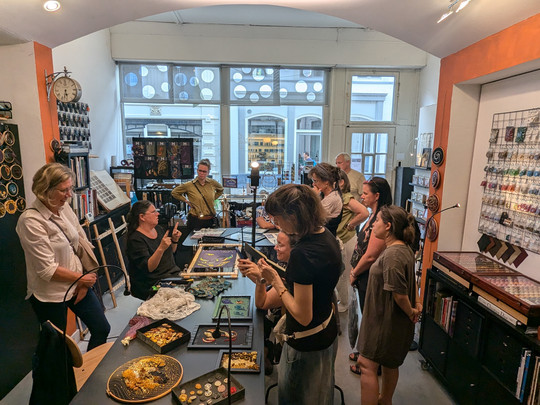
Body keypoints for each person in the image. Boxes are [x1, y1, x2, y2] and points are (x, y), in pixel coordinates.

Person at [254, 184, 341, 405]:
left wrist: (274, 279)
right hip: (326, 332)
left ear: (293, 215)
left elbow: (303, 316)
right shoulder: (326, 236)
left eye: (277, 219)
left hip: (306, 343)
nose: (276, 225)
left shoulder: (303, 253)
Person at [16, 163, 110, 351]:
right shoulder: (31, 221)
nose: (69, 195)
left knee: (101, 328)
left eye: (70, 188)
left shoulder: (63, 207)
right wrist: (81, 278)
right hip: (49, 295)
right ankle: (54, 380)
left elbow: (79, 242)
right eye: (63, 190)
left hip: (78, 283)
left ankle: (88, 373)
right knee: (56, 348)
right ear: (45, 191)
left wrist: (83, 282)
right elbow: (47, 270)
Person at [354, 205, 421, 405]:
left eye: (377, 221)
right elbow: (412, 282)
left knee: (366, 364)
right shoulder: (405, 249)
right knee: (390, 363)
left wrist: (411, 310)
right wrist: (416, 304)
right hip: (393, 321)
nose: (373, 224)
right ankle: (385, 401)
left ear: (388, 226)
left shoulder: (392, 255)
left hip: (384, 321)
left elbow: (399, 294)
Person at [348, 177, 392, 365]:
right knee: (366, 316)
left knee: (372, 319)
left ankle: (372, 360)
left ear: (377, 196)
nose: (362, 196)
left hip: (370, 276)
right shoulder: (373, 214)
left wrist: (354, 272)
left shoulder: (382, 218)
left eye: (365, 194)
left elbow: (371, 255)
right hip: (364, 275)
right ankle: (365, 354)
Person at [126, 200, 182, 300]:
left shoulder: (158, 229)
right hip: (153, 283)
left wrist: (174, 240)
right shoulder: (135, 239)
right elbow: (149, 268)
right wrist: (161, 248)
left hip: (171, 275)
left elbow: (170, 253)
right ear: (142, 217)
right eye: (153, 212)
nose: (158, 214)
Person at [335, 169, 369, 312]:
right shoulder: (338, 197)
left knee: (344, 275)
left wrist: (351, 224)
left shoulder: (347, 198)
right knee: (340, 274)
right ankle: (343, 301)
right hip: (340, 240)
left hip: (347, 240)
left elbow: (364, 212)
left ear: (341, 183)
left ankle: (345, 304)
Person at [171, 158, 224, 232]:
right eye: (200, 171)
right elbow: (174, 192)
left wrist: (213, 198)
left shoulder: (212, 183)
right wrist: (186, 201)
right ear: (197, 170)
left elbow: (221, 189)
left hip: (210, 219)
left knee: (211, 242)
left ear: (208, 173)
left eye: (204, 171)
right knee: (194, 242)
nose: (202, 173)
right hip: (195, 220)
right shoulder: (189, 185)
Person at [309, 162, 343, 236]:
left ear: (326, 182)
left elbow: (314, 219)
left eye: (315, 181)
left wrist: (314, 197)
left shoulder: (333, 198)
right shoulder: (324, 195)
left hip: (326, 239)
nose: (313, 184)